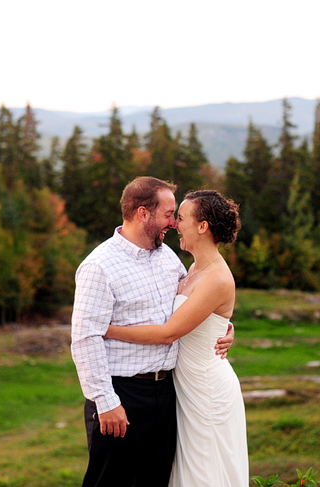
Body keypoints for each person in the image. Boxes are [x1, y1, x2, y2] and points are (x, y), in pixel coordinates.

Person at [70, 177, 234, 487]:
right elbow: (85, 339)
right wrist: (106, 402)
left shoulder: (168, 259)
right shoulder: (100, 266)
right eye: (169, 214)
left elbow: (194, 305)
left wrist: (224, 326)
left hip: (167, 394)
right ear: (143, 213)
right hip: (122, 395)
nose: (173, 224)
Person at [105, 189, 249, 487]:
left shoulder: (217, 278)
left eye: (180, 218)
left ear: (202, 226)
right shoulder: (192, 268)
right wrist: (225, 327)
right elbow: (195, 318)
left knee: (204, 474)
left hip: (206, 390)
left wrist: (106, 329)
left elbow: (169, 332)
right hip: (183, 389)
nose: (173, 224)